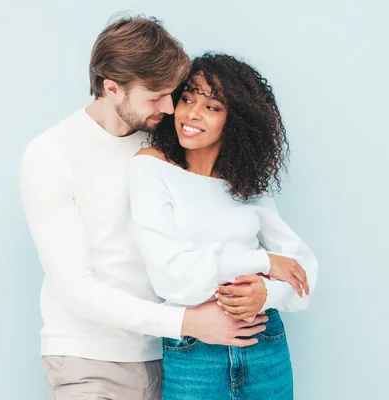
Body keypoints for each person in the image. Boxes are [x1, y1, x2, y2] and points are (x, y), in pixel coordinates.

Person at [19, 16, 271, 400]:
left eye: (173, 94)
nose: (170, 108)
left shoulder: (165, 146)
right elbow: (75, 287)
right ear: (111, 88)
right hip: (88, 360)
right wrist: (186, 321)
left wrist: (268, 268)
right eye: (155, 97)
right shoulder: (51, 154)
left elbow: (218, 221)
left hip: (171, 357)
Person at [129, 53, 319, 399]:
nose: (192, 114)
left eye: (212, 107)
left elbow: (303, 271)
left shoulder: (247, 186)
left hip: (264, 346)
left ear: (236, 121)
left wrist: (266, 293)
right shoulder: (151, 168)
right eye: (187, 99)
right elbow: (172, 276)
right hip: (194, 353)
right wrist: (264, 263)